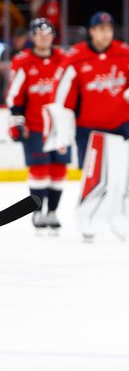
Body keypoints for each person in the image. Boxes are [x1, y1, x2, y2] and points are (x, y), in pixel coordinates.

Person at [51, 12, 129, 168]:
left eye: (109, 29)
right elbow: (61, 94)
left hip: (122, 126)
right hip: (88, 130)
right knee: (92, 180)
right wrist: (62, 123)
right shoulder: (76, 57)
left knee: (123, 176)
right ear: (92, 31)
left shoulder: (126, 53)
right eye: (101, 29)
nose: (106, 33)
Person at [4, 18, 70, 234]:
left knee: (59, 170)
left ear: (53, 36)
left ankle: (52, 211)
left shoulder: (64, 59)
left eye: (48, 32)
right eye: (39, 32)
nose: (44, 36)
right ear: (33, 36)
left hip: (60, 127)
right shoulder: (23, 61)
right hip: (35, 126)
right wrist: (17, 120)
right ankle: (37, 211)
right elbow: (14, 94)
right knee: (39, 171)